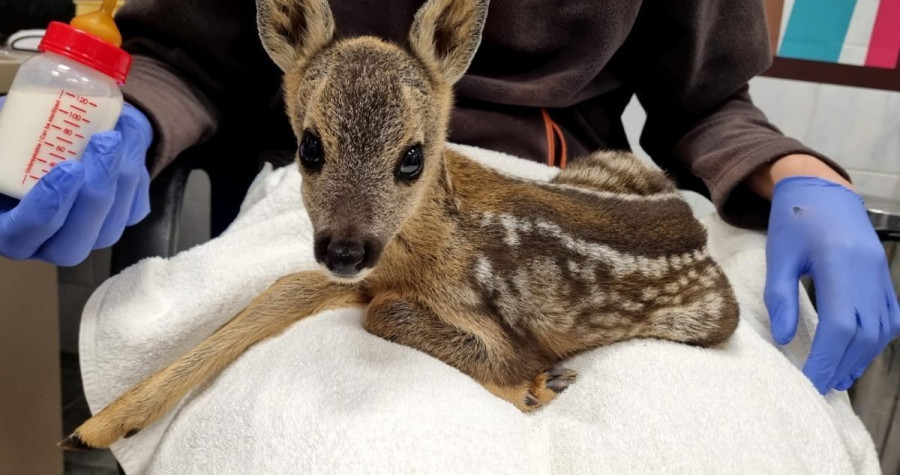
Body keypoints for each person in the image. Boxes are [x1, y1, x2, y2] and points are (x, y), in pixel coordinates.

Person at [0, 0, 896, 396]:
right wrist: (131, 130)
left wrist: (799, 175)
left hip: (556, 190)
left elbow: (705, 97)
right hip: (308, 197)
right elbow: (184, 53)